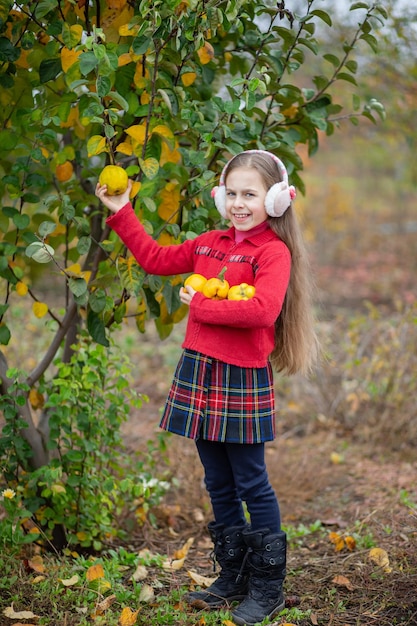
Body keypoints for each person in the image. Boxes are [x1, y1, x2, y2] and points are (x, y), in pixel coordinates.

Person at [95, 149, 319, 626]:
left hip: (241, 378)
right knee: (216, 479)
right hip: (201, 372)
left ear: (276, 199)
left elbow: (262, 310)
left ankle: (267, 586)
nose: (240, 204)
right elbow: (155, 259)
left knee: (251, 481)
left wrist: (201, 307)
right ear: (221, 197)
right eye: (233, 194)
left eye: (251, 195)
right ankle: (234, 575)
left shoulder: (273, 252)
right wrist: (123, 212)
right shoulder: (209, 243)